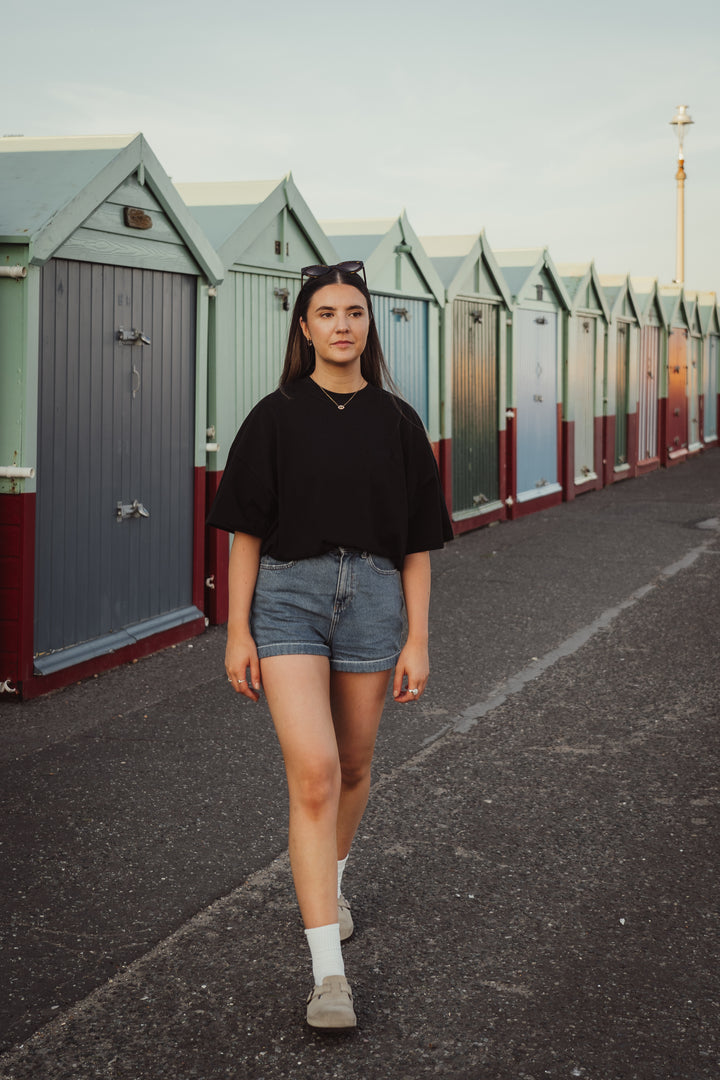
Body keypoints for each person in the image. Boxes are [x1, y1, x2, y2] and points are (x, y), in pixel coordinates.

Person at [207, 261, 453, 1030]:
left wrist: (418, 636)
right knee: (312, 773)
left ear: (367, 325)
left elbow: (417, 544)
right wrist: (237, 630)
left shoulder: (399, 422)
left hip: (375, 599)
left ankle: (332, 881)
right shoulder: (274, 417)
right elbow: (245, 536)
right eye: (326, 313)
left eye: (354, 312)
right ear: (304, 327)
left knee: (352, 767)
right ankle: (328, 976)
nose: (342, 325)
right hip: (287, 598)